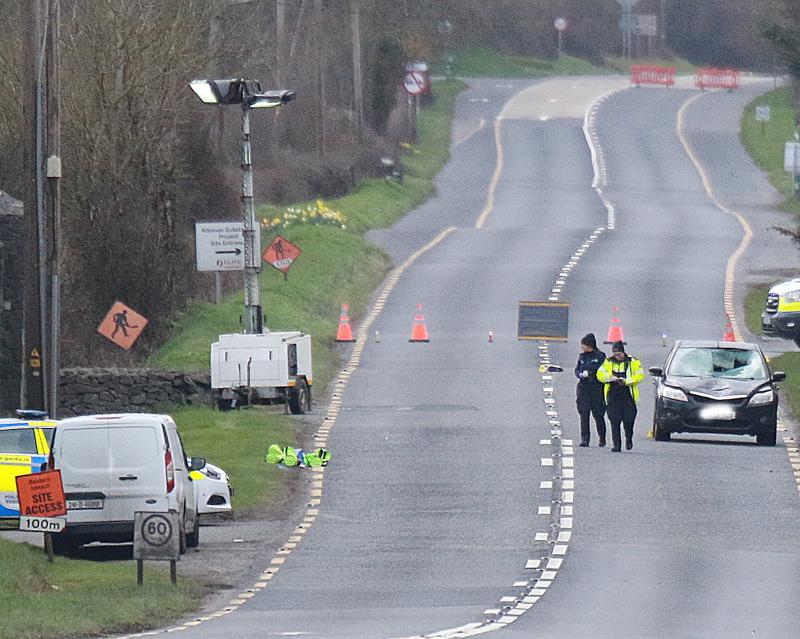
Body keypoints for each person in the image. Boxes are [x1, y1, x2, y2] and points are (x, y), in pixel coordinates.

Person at [596, 340, 645, 452]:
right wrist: (609, 378)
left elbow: (640, 376)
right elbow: (600, 374)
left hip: (628, 395)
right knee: (614, 419)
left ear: (623, 352)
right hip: (613, 395)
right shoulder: (608, 362)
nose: (617, 356)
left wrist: (627, 381)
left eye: (619, 354)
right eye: (615, 354)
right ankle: (616, 445)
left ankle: (628, 438)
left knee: (628, 419)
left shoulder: (633, 362)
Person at [574, 333, 607, 447]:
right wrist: (580, 374)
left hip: (596, 388)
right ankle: (585, 439)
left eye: (584, 345)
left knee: (598, 414)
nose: (582, 347)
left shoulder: (600, 356)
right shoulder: (582, 357)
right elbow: (577, 369)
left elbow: (604, 371)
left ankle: (602, 437)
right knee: (584, 412)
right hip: (584, 387)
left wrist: (593, 374)